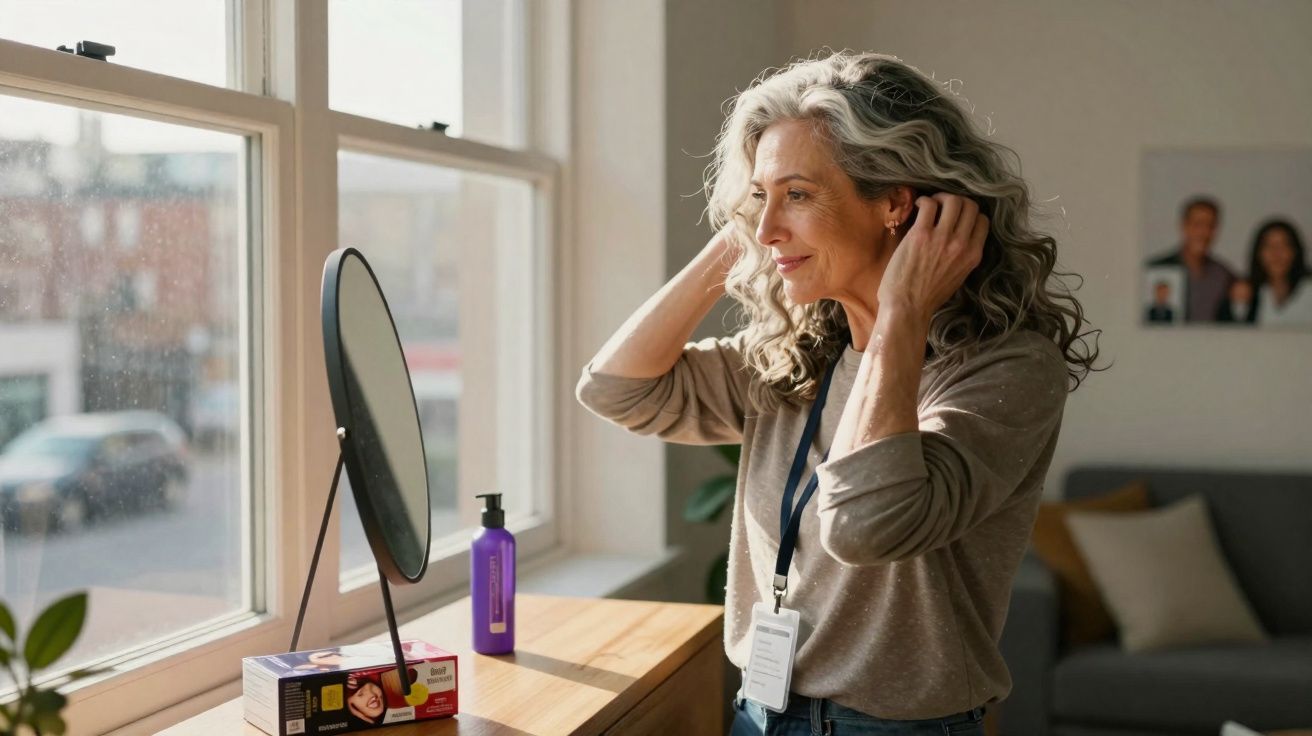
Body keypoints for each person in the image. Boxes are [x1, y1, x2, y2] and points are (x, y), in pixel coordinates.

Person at [576, 51, 1098, 736]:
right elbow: (615, 389)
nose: (767, 229)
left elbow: (866, 524)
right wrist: (744, 237)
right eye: (761, 196)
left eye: (798, 194)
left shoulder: (1005, 371)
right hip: (758, 713)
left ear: (895, 203)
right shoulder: (796, 360)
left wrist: (903, 306)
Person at [1146, 197, 1237, 322]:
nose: (1203, 232)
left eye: (1210, 226)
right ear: (1184, 226)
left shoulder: (1224, 274)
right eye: (1197, 224)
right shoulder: (1156, 269)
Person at [1230, 219, 1312, 327]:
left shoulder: (1308, 288)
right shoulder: (1249, 290)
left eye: (1284, 245)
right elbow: (1233, 333)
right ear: (1258, 253)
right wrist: (1239, 304)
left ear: (1295, 251)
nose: (1276, 253)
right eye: (1269, 246)